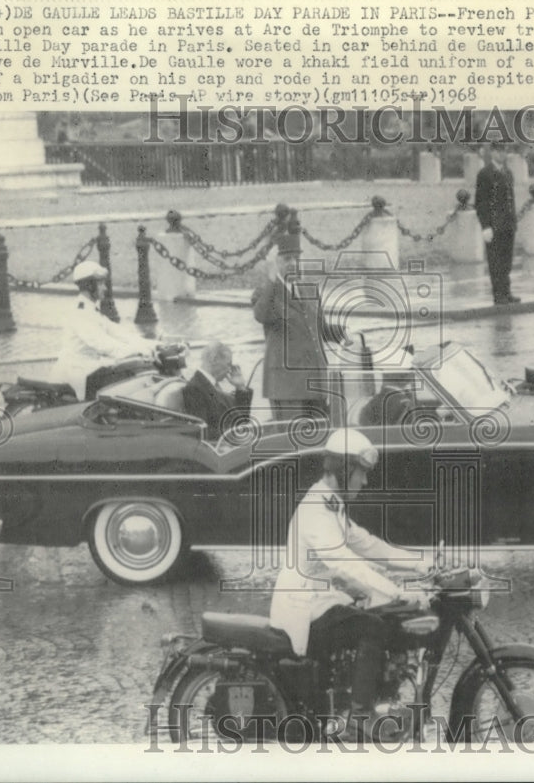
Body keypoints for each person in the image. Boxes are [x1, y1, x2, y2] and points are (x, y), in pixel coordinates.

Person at [269, 429, 429, 740]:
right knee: (373, 626)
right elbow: (342, 561)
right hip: (305, 609)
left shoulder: (331, 504)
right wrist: (393, 590)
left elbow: (368, 545)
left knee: (381, 616)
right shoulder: (316, 509)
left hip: (321, 601)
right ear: (344, 469)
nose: (365, 482)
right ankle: (360, 717)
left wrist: (423, 562)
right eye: (361, 473)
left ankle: (367, 701)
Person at [49, 261, 155, 400]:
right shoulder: (80, 312)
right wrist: (135, 351)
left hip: (90, 368)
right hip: (78, 372)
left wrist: (152, 345)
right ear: (89, 285)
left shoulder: (92, 310)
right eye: (100, 284)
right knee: (122, 386)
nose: (105, 288)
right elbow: (101, 343)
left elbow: (119, 333)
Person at [251, 231, 328, 421]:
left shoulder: (309, 288)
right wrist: (271, 279)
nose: (293, 263)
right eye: (286, 259)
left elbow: (320, 328)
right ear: (275, 262)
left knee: (321, 439)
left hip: (316, 384)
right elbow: (261, 315)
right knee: (293, 443)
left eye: (296, 258)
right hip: (286, 387)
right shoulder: (266, 292)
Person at [474, 141, 520, 306]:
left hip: (507, 224)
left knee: (507, 261)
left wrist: (513, 221)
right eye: (499, 151)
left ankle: (506, 292)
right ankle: (498, 294)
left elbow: (510, 200)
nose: (503, 155)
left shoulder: (508, 172)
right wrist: (485, 226)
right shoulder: (484, 174)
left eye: (504, 151)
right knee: (495, 262)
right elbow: (481, 202)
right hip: (494, 225)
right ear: (493, 153)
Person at [181, 341, 253, 441]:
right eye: (228, 364)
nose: (229, 370)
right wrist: (234, 434)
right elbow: (203, 431)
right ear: (214, 360)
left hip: (231, 444)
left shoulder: (212, 385)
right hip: (221, 448)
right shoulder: (194, 388)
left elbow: (241, 420)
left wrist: (240, 387)